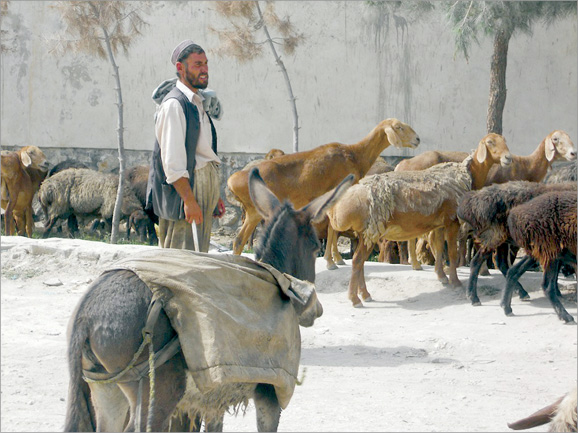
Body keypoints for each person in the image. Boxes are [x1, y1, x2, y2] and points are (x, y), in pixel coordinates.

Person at [146, 40, 226, 252]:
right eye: (198, 64)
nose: (205, 70)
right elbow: (172, 163)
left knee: (198, 254)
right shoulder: (174, 105)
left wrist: (213, 195)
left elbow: (202, 152)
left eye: (206, 64)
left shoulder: (197, 101)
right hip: (186, 189)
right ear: (180, 68)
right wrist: (189, 201)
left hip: (202, 187)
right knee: (181, 258)